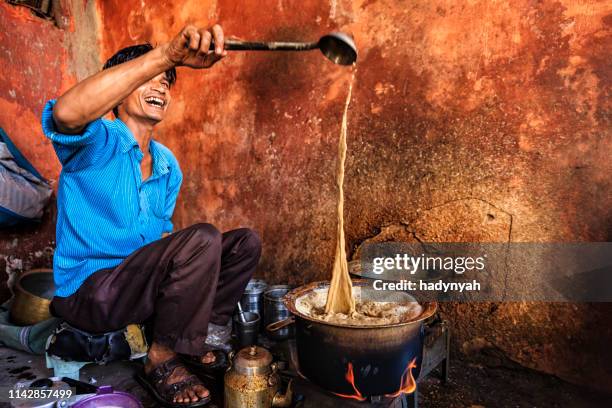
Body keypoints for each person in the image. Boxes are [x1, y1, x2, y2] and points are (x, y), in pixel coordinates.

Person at [42, 24, 260, 406]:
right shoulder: (97, 140)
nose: (160, 87)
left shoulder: (166, 164)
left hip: (135, 287)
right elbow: (66, 111)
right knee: (202, 237)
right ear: (120, 89)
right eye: (148, 79)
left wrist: (190, 266)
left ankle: (197, 340)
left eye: (167, 81)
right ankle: (160, 358)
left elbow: (160, 240)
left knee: (243, 243)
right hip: (90, 293)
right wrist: (164, 55)